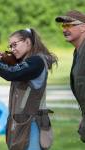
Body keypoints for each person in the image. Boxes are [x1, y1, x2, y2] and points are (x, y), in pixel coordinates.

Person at [0, 28, 57, 150]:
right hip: (23, 124)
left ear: (27, 41)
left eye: (15, 44)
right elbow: (14, 69)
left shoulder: (36, 61)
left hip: (32, 124)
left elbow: (11, 73)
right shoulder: (28, 62)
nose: (12, 49)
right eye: (10, 46)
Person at [55, 10, 85, 143]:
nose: (65, 29)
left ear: (83, 27)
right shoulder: (78, 51)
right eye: (63, 26)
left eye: (69, 25)